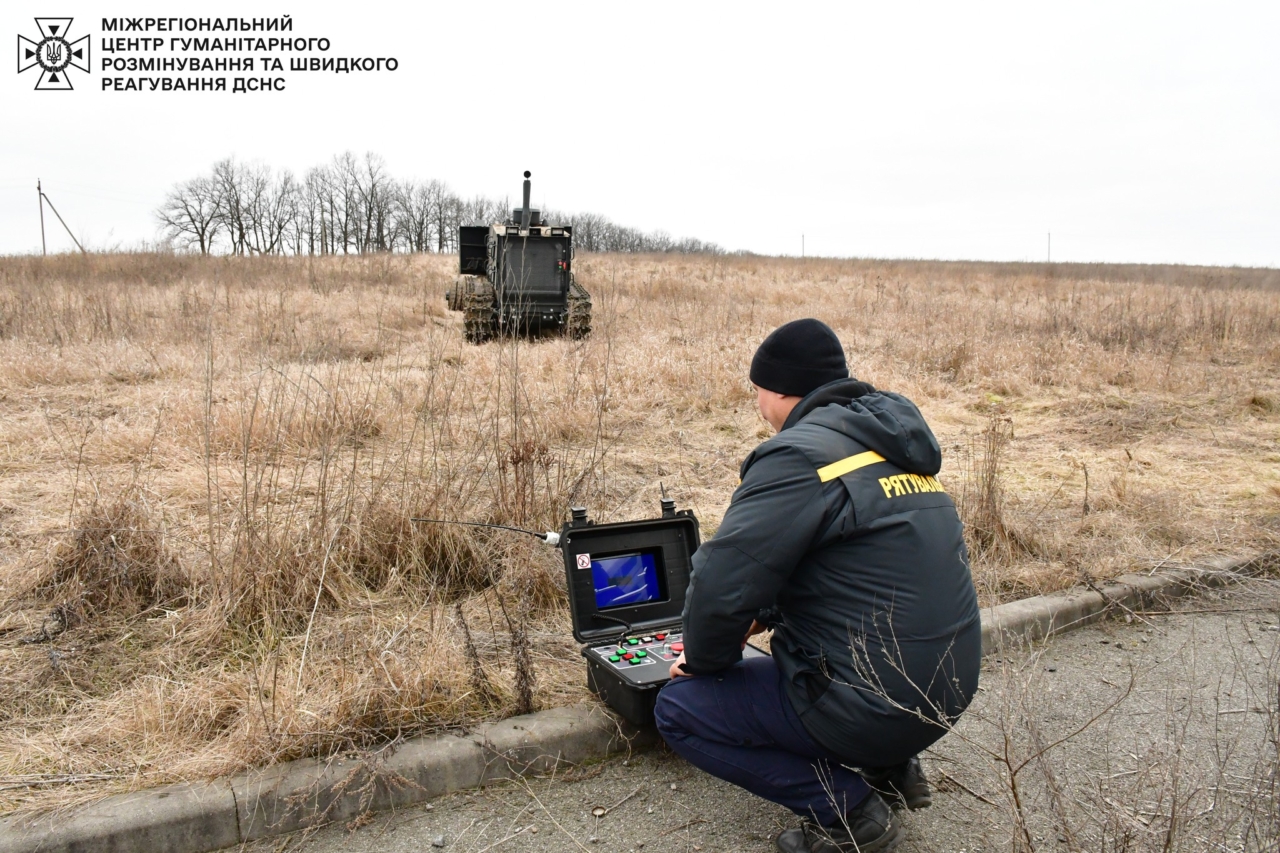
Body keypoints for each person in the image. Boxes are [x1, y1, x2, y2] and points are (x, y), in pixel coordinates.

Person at [653, 318, 981, 853]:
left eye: (756, 388)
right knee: (849, 652)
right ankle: (891, 764)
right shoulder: (893, 444)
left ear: (779, 388)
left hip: (874, 708)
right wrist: (774, 610)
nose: (756, 401)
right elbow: (858, 573)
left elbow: (720, 584)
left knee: (680, 710)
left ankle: (850, 811)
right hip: (946, 694)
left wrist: (704, 662)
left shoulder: (797, 456)